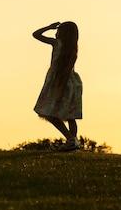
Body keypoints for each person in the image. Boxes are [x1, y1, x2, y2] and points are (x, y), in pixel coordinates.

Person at [33, 21, 82, 151]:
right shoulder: (72, 47)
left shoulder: (57, 44)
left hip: (58, 81)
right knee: (71, 115)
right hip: (72, 82)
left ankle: (70, 139)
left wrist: (49, 27)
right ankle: (73, 142)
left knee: (48, 112)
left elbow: (36, 34)